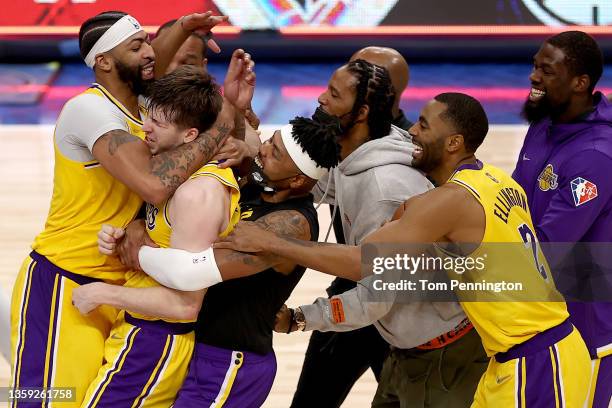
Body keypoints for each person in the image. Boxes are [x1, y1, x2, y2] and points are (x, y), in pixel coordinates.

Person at [217, 92, 592, 407]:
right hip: (511, 352)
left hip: (536, 356)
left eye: (424, 125)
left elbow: (366, 263)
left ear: (454, 142)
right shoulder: (491, 177)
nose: (412, 131)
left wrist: (274, 242)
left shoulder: (447, 201)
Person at [8, 10, 249, 405]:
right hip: (64, 280)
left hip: (119, 283)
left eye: (148, 43)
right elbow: (154, 186)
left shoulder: (142, 107)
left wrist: (186, 28)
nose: (150, 53)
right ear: (103, 61)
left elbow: (150, 55)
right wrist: (222, 122)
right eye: (137, 46)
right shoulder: (90, 111)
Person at [74, 117, 341, 407]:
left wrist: (136, 254)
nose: (263, 151)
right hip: (201, 346)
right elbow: (241, 136)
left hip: (232, 360)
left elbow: (191, 273)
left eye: (274, 152)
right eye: (269, 142)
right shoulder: (260, 185)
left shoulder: (291, 223)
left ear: (298, 180)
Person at [73, 65, 242, 407]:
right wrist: (123, 236)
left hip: (157, 340)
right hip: (140, 328)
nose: (145, 127)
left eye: (158, 124)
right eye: (148, 116)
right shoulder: (172, 166)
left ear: (190, 136)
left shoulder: (199, 194)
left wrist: (103, 293)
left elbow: (186, 305)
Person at [295, 46, 420, 408]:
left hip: (399, 309)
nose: (320, 98)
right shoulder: (351, 147)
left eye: (336, 93)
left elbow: (377, 284)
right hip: (359, 285)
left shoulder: (387, 183)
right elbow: (313, 180)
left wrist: (301, 317)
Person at [513, 30, 612, 407]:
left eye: (547, 70)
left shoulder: (596, 156)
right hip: (542, 313)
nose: (534, 76)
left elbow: (548, 246)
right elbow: (516, 203)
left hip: (585, 326)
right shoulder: (544, 122)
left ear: (580, 83)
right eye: (535, 65)